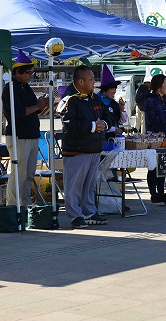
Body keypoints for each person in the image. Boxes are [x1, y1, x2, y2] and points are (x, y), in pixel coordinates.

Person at [58, 65, 110, 228]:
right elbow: (69, 124)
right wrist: (94, 126)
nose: (94, 82)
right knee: (74, 186)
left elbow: (108, 116)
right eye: (91, 79)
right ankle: (75, 216)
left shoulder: (94, 97)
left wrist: (105, 125)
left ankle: (89, 212)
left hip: (93, 147)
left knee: (90, 185)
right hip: (76, 150)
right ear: (80, 81)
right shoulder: (70, 100)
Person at [1, 50, 48, 207]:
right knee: (18, 174)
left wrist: (40, 105)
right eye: (28, 73)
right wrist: (37, 106)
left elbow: (32, 109)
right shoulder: (10, 88)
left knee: (28, 174)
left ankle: (25, 204)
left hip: (32, 134)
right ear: (18, 71)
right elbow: (19, 112)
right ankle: (13, 206)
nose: (30, 76)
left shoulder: (25, 87)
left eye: (32, 73)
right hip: (19, 135)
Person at [144, 74, 166, 205]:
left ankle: (162, 193)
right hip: (154, 137)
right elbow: (152, 120)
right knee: (153, 166)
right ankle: (154, 194)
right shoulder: (150, 100)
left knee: (164, 165)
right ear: (159, 87)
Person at [97, 65, 127, 140]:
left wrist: (121, 108)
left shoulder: (113, 103)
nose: (115, 91)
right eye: (112, 89)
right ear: (104, 90)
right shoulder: (96, 102)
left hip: (114, 139)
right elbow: (97, 122)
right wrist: (113, 129)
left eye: (115, 89)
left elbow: (122, 120)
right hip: (100, 140)